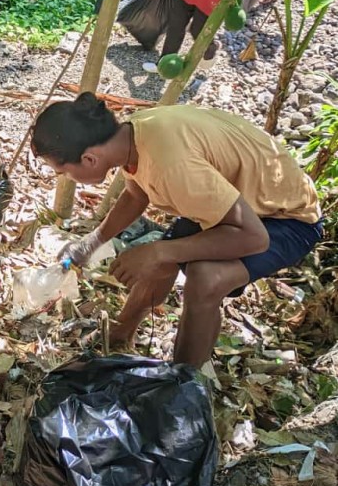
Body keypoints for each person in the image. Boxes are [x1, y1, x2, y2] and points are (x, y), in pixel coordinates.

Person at [31, 93, 322, 368]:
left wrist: (158, 250)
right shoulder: (135, 136)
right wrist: (92, 242)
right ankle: (119, 336)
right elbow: (136, 194)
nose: (67, 178)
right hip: (235, 201)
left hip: (285, 219)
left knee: (205, 279)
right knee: (163, 259)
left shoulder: (171, 165)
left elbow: (254, 237)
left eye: (62, 172)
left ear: (89, 159)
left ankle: (183, 382)